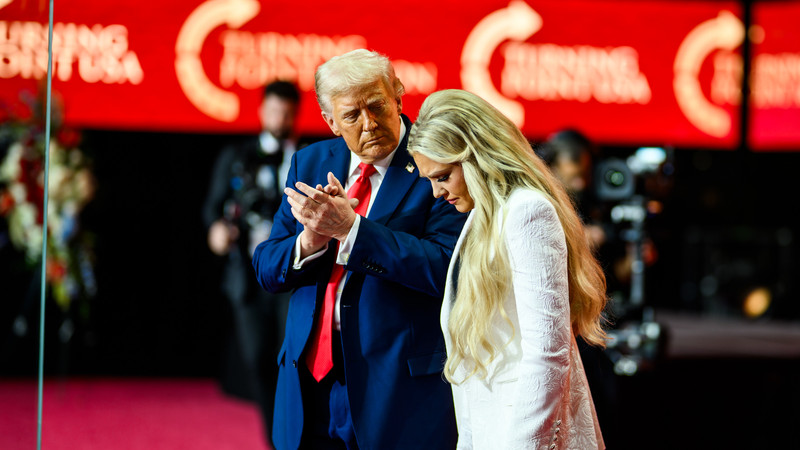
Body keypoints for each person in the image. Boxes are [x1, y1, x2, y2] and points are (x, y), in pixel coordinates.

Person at [252, 49, 465, 450]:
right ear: (331, 121)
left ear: (398, 95)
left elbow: (446, 268)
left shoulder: (437, 160)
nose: (369, 124)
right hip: (307, 384)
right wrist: (311, 241)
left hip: (395, 387)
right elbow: (266, 267)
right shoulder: (309, 162)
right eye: (351, 115)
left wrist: (353, 230)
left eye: (377, 106)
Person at [407, 89, 608, 449]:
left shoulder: (527, 211)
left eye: (442, 176)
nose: (436, 193)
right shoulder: (479, 221)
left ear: (475, 157)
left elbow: (548, 351)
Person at [203, 79, 303, 447]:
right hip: (246, 278)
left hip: (293, 277)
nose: (281, 117)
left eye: (288, 111)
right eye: (275, 109)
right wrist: (217, 232)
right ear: (262, 111)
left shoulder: (308, 156)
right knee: (258, 360)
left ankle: (295, 437)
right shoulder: (236, 156)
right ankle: (275, 440)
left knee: (291, 360)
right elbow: (212, 209)